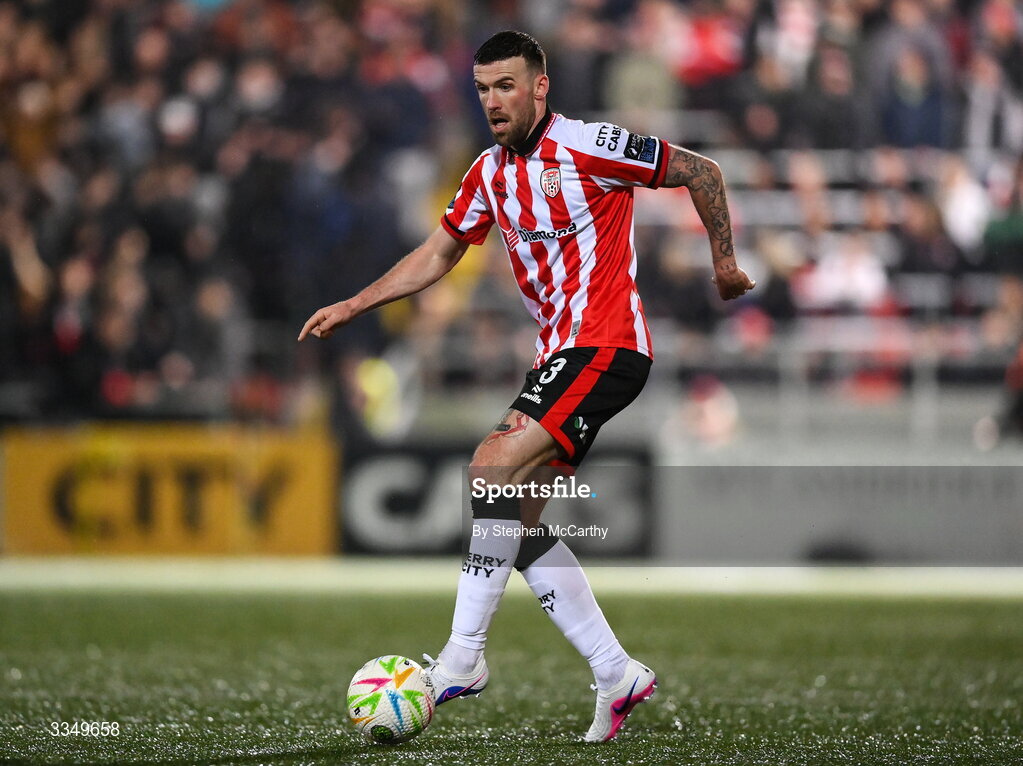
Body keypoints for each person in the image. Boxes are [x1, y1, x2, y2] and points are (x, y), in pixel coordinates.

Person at [298, 30, 754, 742]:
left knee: (488, 467)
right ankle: (615, 672)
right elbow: (440, 251)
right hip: (559, 358)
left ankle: (461, 660)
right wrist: (356, 305)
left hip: (606, 345)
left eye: (506, 85)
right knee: (516, 520)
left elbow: (701, 171)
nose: (492, 101)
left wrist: (723, 264)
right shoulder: (486, 172)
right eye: (482, 89)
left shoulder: (591, 144)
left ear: (540, 86)